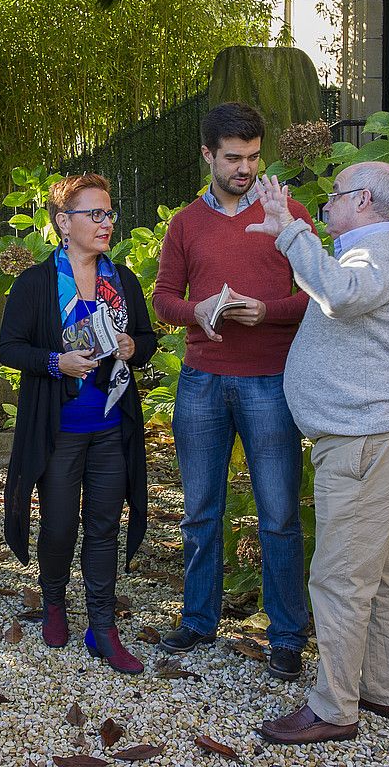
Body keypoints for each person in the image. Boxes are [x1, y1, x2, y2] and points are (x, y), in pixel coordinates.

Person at [250, 165, 389, 744]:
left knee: (338, 577)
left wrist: (289, 230)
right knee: (378, 570)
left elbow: (341, 297)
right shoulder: (365, 252)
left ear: (365, 199)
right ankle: (381, 688)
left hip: (364, 440)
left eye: (334, 196)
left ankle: (333, 708)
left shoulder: (377, 252)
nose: (325, 206)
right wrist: (293, 232)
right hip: (366, 437)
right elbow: (336, 288)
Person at [152, 102, 312, 681]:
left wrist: (265, 311)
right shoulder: (186, 224)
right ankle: (198, 619)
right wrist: (201, 310)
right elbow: (163, 298)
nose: (245, 168)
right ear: (208, 156)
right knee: (199, 510)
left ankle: (287, 635)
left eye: (252, 156)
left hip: (270, 381)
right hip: (202, 380)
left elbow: (316, 297)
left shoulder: (288, 214)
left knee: (278, 514)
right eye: (233, 158)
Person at [0, 174, 157, 674]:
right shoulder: (37, 283)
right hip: (59, 429)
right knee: (61, 524)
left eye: (109, 213)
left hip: (111, 426)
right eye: (95, 214)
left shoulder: (122, 280)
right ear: (64, 223)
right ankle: (53, 603)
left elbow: (147, 339)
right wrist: (55, 363)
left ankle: (103, 627)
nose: (106, 222)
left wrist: (135, 347)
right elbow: (9, 347)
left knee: (105, 526)